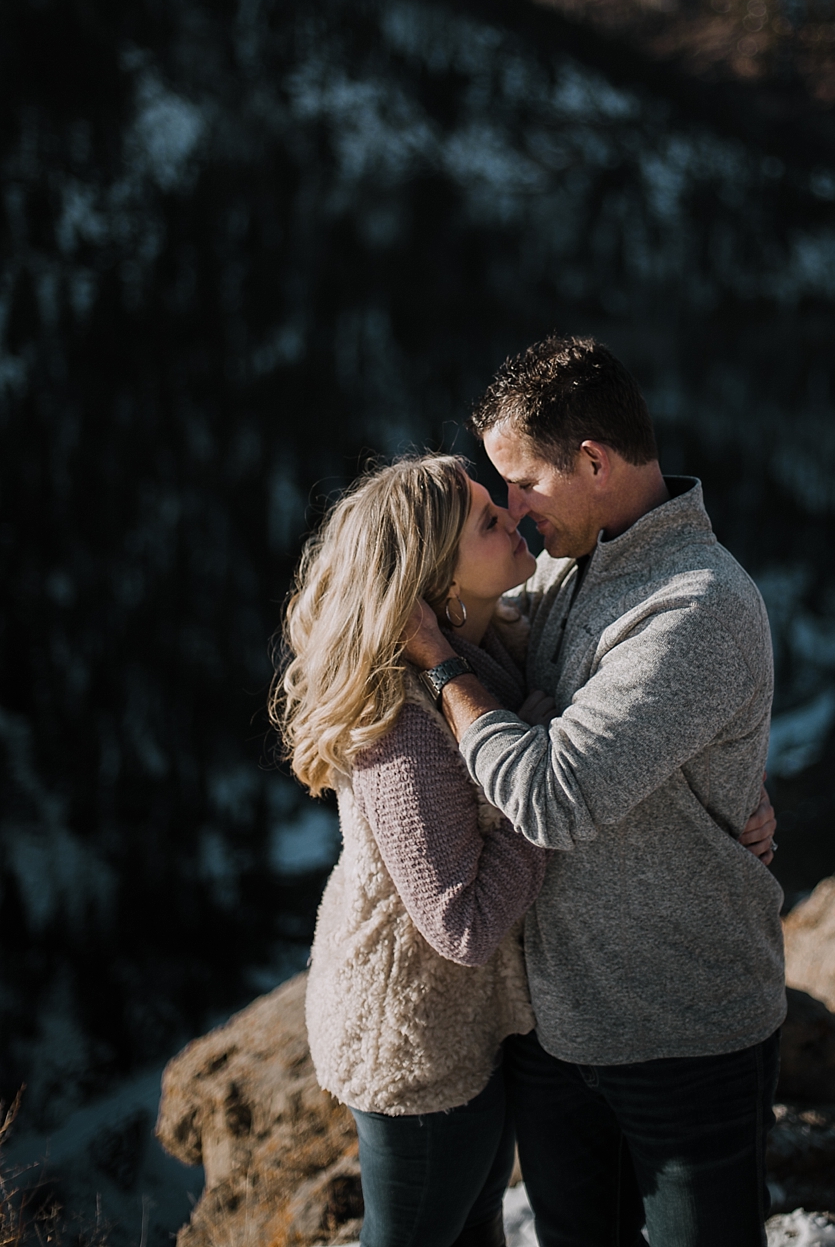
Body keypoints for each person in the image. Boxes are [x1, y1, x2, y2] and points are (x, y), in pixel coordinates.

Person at [273, 448, 777, 1247]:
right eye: (486, 518)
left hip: (482, 1031)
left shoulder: (505, 634)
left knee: (475, 1229)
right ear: (437, 580)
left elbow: (640, 712)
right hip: (415, 1041)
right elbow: (463, 925)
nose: (512, 513)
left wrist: (732, 787)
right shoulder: (404, 727)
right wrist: (536, 791)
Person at [403, 335, 786, 1247]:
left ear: (592, 460)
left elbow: (549, 797)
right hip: (562, 1033)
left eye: (523, 483)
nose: (513, 510)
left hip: (684, 1032)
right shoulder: (575, 569)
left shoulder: (694, 604)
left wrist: (442, 665)